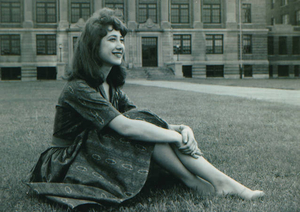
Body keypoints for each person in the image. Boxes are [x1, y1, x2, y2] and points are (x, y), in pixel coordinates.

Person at [26, 8, 264, 209]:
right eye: (112, 39)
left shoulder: (111, 86)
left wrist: (182, 128)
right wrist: (174, 136)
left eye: (121, 39)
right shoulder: (78, 88)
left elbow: (143, 121)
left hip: (92, 152)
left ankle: (219, 183)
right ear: (92, 45)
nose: (120, 46)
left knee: (144, 125)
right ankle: (201, 183)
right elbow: (127, 126)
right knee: (139, 126)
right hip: (65, 163)